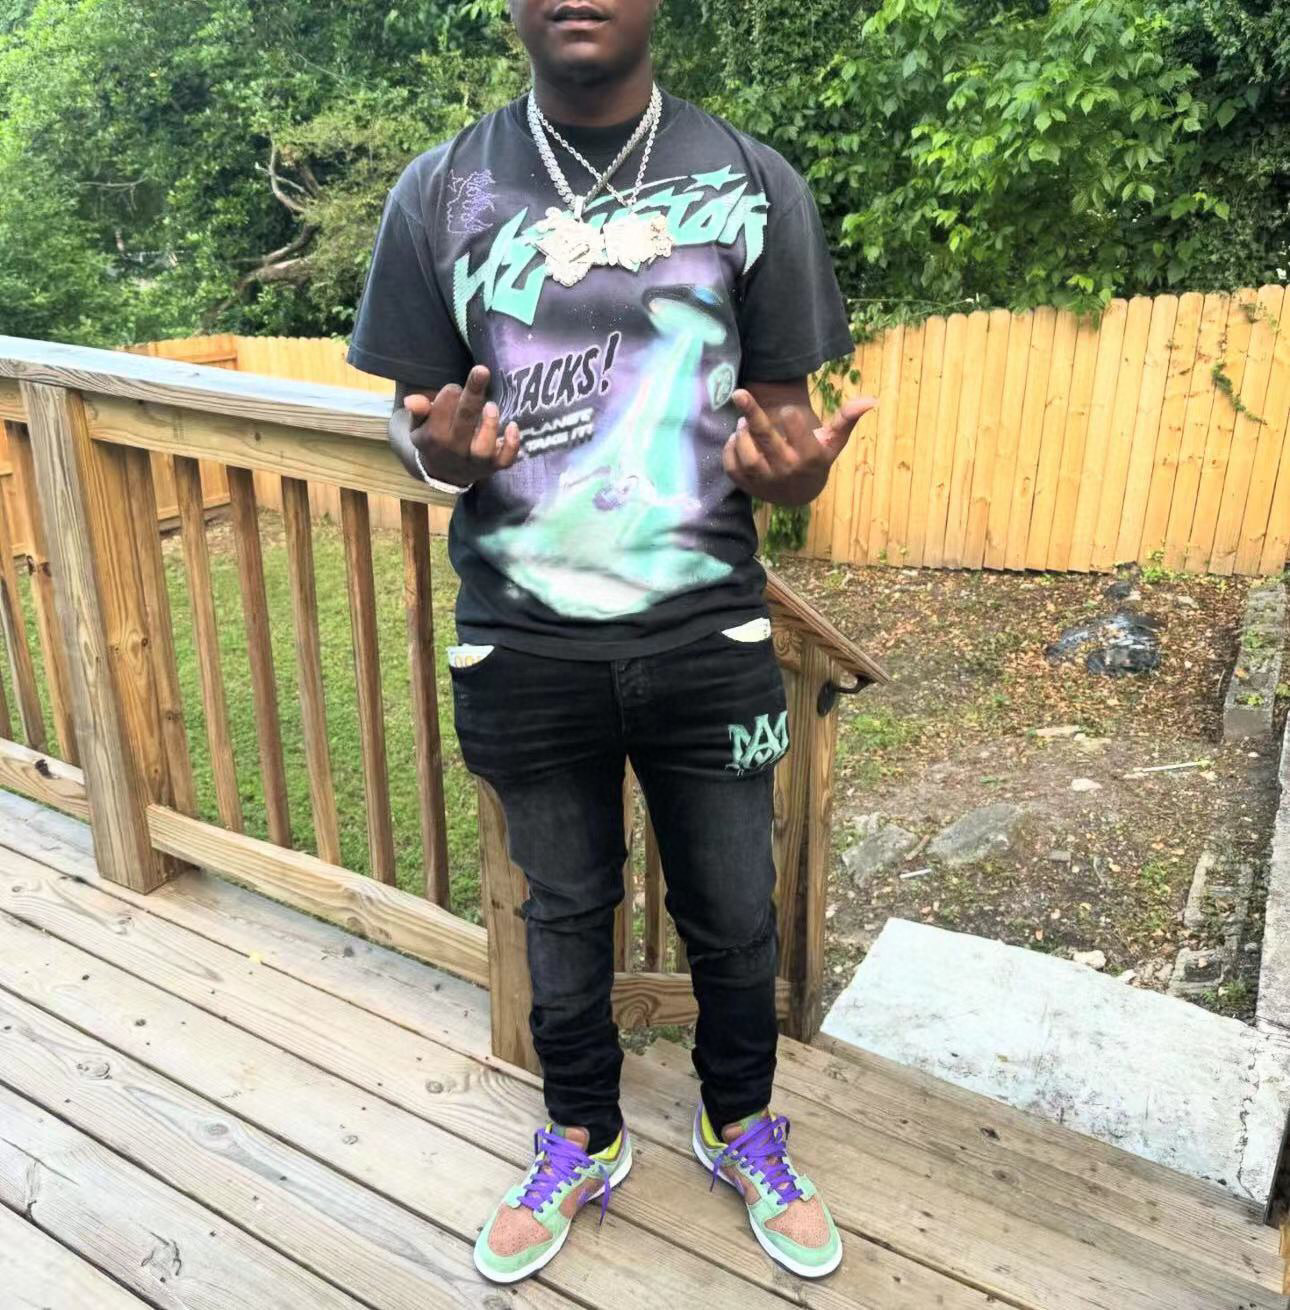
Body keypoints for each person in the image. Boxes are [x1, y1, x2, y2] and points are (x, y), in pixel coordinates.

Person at [347, 0, 875, 1286]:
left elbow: (783, 423)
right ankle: (581, 1129)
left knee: (735, 912)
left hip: (709, 630)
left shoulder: (753, 182)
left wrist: (800, 478)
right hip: (521, 640)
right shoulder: (440, 191)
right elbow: (416, 416)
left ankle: (740, 1120)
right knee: (564, 908)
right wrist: (436, 451)